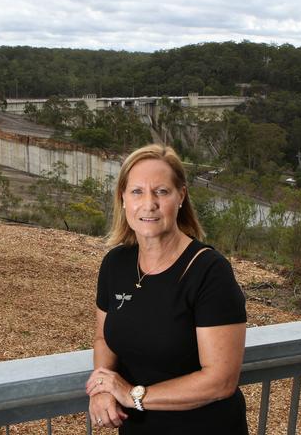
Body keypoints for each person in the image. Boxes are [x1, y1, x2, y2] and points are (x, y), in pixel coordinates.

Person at [85, 144, 248, 434]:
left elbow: (221, 380)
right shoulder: (115, 264)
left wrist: (134, 394)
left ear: (181, 196)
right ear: (122, 198)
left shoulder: (209, 271)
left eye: (161, 191)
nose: (149, 204)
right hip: (138, 427)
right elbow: (103, 337)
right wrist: (102, 386)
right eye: (137, 191)